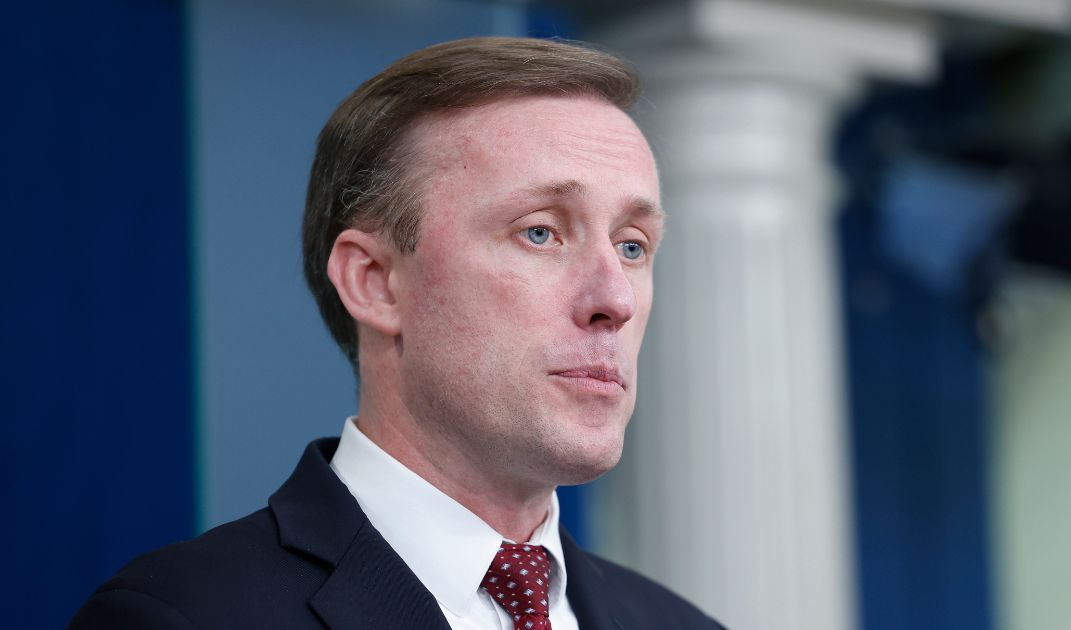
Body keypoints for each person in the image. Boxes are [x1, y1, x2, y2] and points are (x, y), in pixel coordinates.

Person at [69, 36, 723, 629]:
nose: (615, 300)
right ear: (376, 282)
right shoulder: (182, 618)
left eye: (632, 247)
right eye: (541, 232)